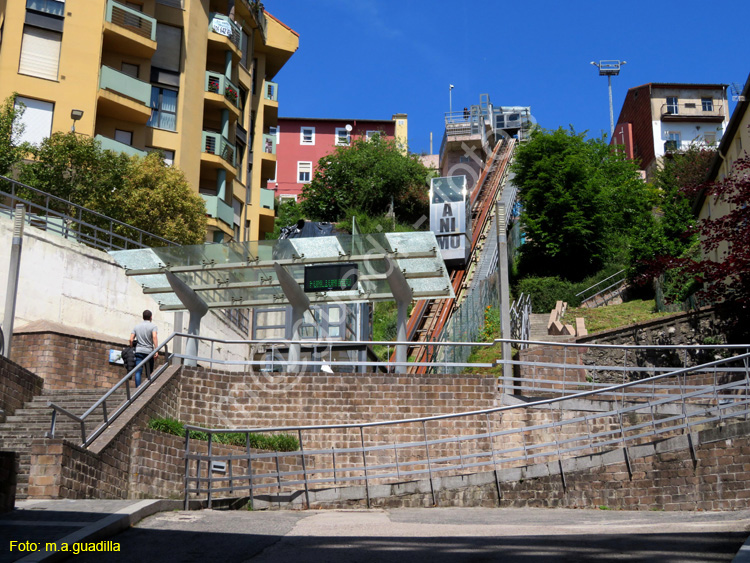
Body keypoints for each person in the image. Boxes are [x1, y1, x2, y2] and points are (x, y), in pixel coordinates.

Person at [130, 309, 158, 387]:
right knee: (149, 372)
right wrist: (156, 350)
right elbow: (154, 336)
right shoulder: (153, 326)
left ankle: (138, 388)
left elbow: (131, 339)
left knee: (138, 371)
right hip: (149, 352)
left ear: (143, 317)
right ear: (151, 317)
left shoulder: (137, 326)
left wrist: (131, 346)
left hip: (139, 351)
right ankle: (147, 386)